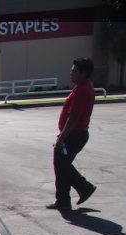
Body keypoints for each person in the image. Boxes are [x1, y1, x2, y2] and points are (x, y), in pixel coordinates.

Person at [47, 58, 97, 210]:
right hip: (75, 133)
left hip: (75, 134)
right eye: (71, 70)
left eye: (75, 71)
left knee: (62, 165)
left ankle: (84, 188)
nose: (71, 73)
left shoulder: (82, 91)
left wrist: (61, 138)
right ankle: (65, 199)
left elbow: (74, 118)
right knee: (62, 165)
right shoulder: (83, 86)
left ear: (84, 73)